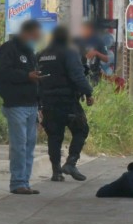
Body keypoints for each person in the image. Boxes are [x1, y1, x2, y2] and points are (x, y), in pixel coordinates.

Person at [38, 26, 94, 182]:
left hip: (48, 102)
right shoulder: (69, 52)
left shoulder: (41, 55)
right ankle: (71, 162)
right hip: (67, 100)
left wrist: (38, 103)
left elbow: (37, 81)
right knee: (81, 129)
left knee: (54, 136)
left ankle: (56, 172)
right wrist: (88, 92)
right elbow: (77, 76)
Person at [0, 20, 43, 195]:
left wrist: (40, 105)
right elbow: (2, 74)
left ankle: (25, 181)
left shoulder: (30, 52)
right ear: (27, 33)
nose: (37, 39)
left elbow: (34, 78)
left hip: (31, 105)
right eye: (35, 36)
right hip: (15, 105)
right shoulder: (8, 50)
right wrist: (26, 76)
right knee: (19, 145)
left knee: (29, 145)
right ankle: (17, 183)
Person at [77, 21, 108, 86]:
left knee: (93, 94)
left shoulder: (98, 41)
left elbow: (106, 59)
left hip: (94, 75)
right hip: (80, 75)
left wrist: (96, 53)